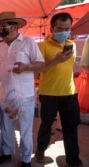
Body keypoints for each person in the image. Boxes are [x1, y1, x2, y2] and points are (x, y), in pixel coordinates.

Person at [0, 11, 45, 167]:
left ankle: (26, 159)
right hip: (6, 96)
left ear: (14, 26)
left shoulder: (28, 42)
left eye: (4, 26)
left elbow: (41, 64)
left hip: (25, 97)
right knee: (6, 127)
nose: (1, 29)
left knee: (25, 129)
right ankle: (7, 153)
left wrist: (26, 67)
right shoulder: (0, 46)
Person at [34, 12, 83, 167]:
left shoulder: (72, 45)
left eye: (67, 29)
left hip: (69, 92)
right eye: (60, 29)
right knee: (46, 125)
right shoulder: (42, 46)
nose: (64, 32)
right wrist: (56, 60)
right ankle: (41, 150)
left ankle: (73, 159)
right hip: (48, 93)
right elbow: (38, 69)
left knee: (71, 127)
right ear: (52, 29)